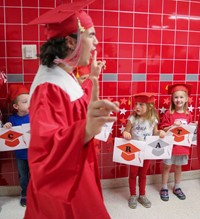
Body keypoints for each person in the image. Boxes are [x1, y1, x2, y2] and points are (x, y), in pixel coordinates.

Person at [24, 1, 119, 219]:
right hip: (66, 183)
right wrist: (85, 129)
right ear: (69, 41)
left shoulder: (62, 73)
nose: (96, 42)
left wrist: (91, 79)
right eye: (91, 35)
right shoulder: (48, 88)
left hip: (75, 166)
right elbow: (45, 148)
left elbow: (73, 104)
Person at [122, 93, 165, 209]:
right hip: (135, 151)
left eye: (141, 104)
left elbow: (155, 132)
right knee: (133, 174)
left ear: (150, 106)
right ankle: (133, 195)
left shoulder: (153, 119)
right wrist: (126, 133)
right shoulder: (132, 118)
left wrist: (160, 133)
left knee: (143, 174)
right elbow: (126, 131)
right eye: (136, 104)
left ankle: (142, 195)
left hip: (147, 151)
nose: (137, 107)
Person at [159, 83, 192, 202]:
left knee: (178, 167)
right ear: (172, 99)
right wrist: (173, 126)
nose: (179, 100)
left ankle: (177, 187)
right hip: (170, 146)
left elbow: (189, 131)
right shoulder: (169, 114)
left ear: (186, 99)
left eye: (181, 97)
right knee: (167, 166)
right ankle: (164, 187)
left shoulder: (188, 114)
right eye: (176, 97)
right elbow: (163, 129)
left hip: (182, 147)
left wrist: (194, 127)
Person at [3, 84, 30, 207]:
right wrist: (7, 126)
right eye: (25, 102)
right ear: (16, 106)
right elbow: (7, 133)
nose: (29, 104)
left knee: (36, 175)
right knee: (23, 176)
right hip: (20, 155)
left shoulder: (34, 115)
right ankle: (25, 193)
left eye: (30, 100)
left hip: (35, 153)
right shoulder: (12, 119)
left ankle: (36, 194)